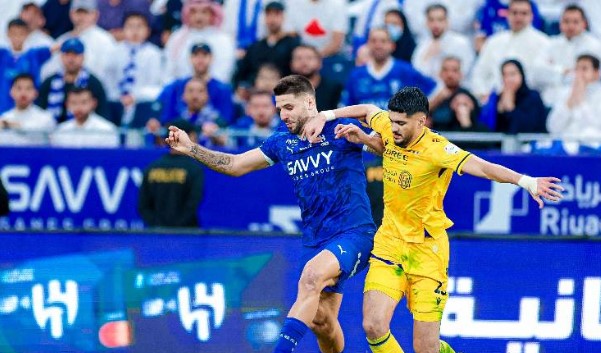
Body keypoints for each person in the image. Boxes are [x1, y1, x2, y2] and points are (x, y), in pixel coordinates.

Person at [302, 87, 563, 353]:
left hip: (427, 252)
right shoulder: (391, 127)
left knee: (425, 348)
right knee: (373, 325)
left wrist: (526, 181)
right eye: (392, 121)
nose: (393, 128)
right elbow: (368, 110)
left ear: (421, 121)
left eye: (401, 124)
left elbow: (483, 167)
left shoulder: (438, 150)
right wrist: (328, 116)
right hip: (389, 243)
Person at [165, 75, 381, 353]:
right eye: (279, 108)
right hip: (316, 239)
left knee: (311, 278)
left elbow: (386, 147)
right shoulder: (281, 141)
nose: (283, 115)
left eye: (289, 108)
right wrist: (191, 148)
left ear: (309, 103)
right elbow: (235, 165)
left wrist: (362, 137)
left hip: (355, 232)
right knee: (321, 322)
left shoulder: (339, 129)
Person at [471, 0, 550, 101]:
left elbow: (544, 80)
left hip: (528, 102)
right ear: (507, 14)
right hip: (495, 101)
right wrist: (483, 94)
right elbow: (479, 74)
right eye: (514, 13)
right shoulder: (494, 41)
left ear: (531, 16)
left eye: (523, 13)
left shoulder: (543, 43)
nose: (518, 17)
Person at [342, 28, 437, 110]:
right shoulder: (356, 75)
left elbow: (436, 89)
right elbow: (345, 107)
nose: (378, 45)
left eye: (383, 41)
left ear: (392, 45)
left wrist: (420, 116)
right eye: (374, 41)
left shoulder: (405, 70)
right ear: (368, 45)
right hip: (364, 129)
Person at [138, 118, 205, 228]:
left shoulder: (152, 167)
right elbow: (193, 203)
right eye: (194, 136)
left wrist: (158, 226)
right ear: (188, 137)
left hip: (157, 235)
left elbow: (143, 205)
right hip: (187, 235)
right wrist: (177, 227)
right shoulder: (194, 170)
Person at [37, 37, 109, 123]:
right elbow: (39, 112)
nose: (71, 59)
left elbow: (102, 115)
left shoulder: (94, 84)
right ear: (61, 57)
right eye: (67, 54)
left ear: (83, 57)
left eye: (75, 55)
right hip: (52, 132)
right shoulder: (49, 82)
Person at [234, 1, 300, 88]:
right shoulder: (255, 47)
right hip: (256, 94)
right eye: (268, 14)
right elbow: (242, 73)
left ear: (283, 17)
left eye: (276, 14)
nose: (272, 19)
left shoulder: (293, 44)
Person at [479, 59, 547, 134]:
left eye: (513, 74)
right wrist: (499, 112)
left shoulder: (532, 97)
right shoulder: (498, 98)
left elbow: (528, 127)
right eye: (505, 75)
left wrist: (510, 109)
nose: (509, 79)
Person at [411, 4, 474, 80]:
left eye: (440, 20)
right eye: (431, 20)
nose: (436, 25)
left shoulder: (461, 43)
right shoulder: (422, 45)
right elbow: (416, 73)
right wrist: (427, 56)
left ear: (447, 21)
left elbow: (465, 71)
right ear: (426, 23)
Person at [547, 54, 601, 139]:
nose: (579, 73)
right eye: (576, 69)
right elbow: (552, 127)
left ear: (596, 73)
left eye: (584, 69)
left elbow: (596, 127)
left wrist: (581, 101)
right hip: (564, 144)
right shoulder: (564, 93)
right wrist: (570, 101)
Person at [50, 87, 119, 148]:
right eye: (74, 103)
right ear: (67, 104)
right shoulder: (60, 131)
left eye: (84, 102)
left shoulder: (107, 130)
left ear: (94, 103)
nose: (78, 107)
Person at [0, 73, 56, 146]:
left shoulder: (45, 118)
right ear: (11, 92)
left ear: (35, 93)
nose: (23, 93)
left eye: (28, 89)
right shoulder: (5, 118)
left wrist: (11, 125)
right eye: (19, 88)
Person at [291, 44, 342, 112]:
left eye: (309, 58)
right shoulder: (285, 91)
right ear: (291, 64)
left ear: (320, 62)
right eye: (299, 58)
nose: (304, 62)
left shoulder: (334, 88)